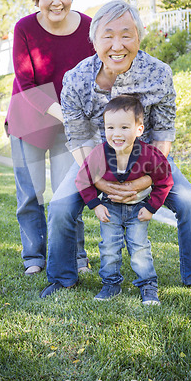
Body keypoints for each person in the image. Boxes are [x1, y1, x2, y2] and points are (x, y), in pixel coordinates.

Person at [40, 0, 191, 298]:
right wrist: (100, 182)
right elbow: (77, 136)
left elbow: (164, 132)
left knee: (190, 204)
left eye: (126, 35)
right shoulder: (74, 79)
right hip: (94, 160)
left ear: (139, 36)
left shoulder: (159, 73)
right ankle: (63, 278)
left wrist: (146, 180)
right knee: (61, 207)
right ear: (94, 40)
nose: (117, 45)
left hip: (150, 159)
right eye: (108, 36)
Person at [5, 0, 95, 275]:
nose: (56, 2)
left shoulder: (88, 28)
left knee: (67, 192)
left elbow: (95, 77)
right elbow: (28, 84)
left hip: (67, 125)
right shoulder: (24, 29)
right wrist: (68, 115)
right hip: (29, 119)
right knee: (31, 194)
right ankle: (33, 257)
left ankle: (76, 255)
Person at [75, 95, 174, 304]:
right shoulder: (99, 153)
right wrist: (95, 205)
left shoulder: (149, 155)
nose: (116, 134)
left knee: (139, 248)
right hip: (110, 208)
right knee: (109, 248)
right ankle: (111, 284)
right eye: (110, 128)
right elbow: (83, 179)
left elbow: (164, 180)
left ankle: (148, 286)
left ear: (139, 129)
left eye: (124, 127)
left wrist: (151, 207)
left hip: (138, 209)